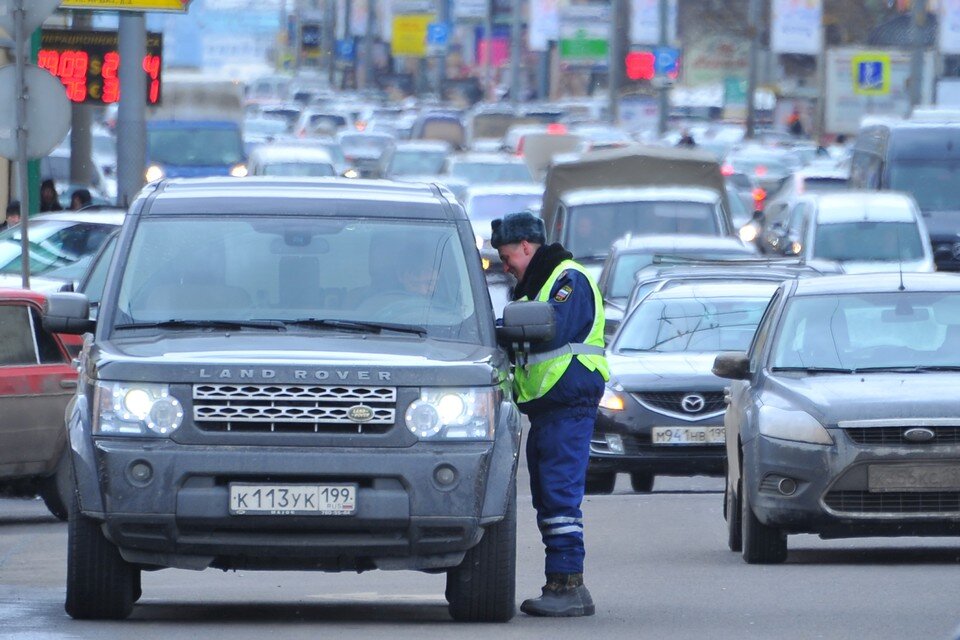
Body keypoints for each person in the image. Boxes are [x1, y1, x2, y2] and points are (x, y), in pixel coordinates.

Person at [491, 211, 609, 618]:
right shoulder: (534, 287)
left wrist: (501, 329)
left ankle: (568, 586)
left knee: (560, 495)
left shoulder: (566, 279)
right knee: (547, 496)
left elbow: (550, 329)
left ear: (526, 246)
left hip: (567, 406)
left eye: (508, 257)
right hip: (547, 411)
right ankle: (559, 583)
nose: (505, 267)